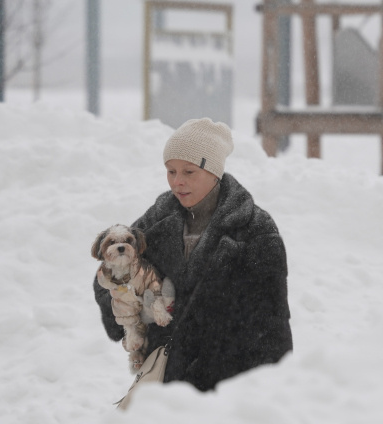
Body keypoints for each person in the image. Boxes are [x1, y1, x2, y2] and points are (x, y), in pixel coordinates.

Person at [94, 118, 293, 392]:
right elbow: (109, 270)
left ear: (214, 172)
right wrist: (128, 309)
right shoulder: (158, 217)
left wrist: (267, 389)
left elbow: (271, 323)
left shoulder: (255, 230)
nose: (177, 182)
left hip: (230, 381)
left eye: (189, 172)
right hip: (167, 378)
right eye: (171, 171)